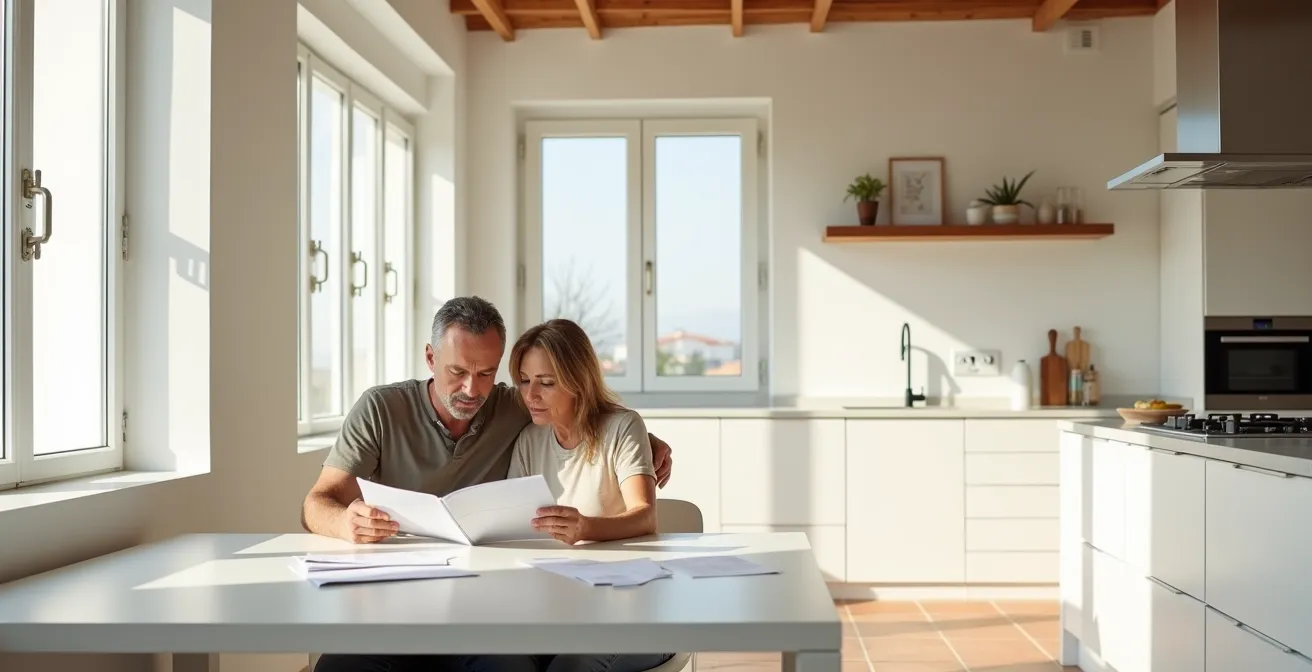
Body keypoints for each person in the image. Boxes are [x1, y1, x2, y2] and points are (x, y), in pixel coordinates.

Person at [304, 296, 674, 672]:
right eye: (458, 371)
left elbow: (579, 409)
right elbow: (317, 502)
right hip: (398, 603)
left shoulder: (514, 407)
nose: (471, 389)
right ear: (431, 358)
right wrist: (343, 522)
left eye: (486, 373)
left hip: (479, 607)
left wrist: (646, 440)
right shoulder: (381, 409)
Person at [507, 318, 675, 672]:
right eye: (524, 381)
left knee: (572, 667)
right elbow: (514, 531)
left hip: (630, 614)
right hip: (555, 612)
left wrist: (586, 528)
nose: (530, 395)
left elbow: (646, 516)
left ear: (577, 382)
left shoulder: (622, 427)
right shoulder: (528, 441)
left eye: (546, 383)